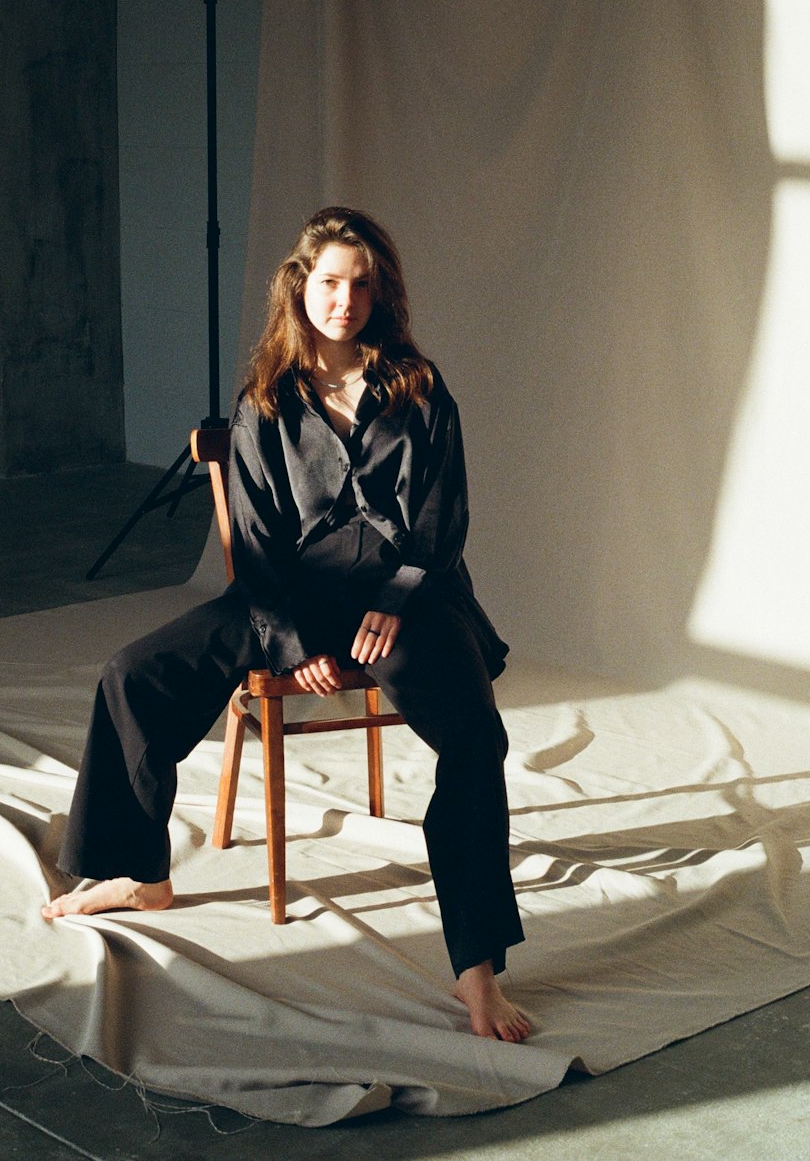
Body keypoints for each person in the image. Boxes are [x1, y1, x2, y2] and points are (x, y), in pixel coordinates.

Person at [43, 207, 529, 1043]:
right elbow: (260, 551)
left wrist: (397, 598)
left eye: (361, 283)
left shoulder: (418, 388)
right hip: (288, 598)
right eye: (330, 282)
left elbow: (442, 518)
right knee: (133, 675)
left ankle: (475, 971)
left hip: (409, 599)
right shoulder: (264, 401)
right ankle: (141, 876)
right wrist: (292, 642)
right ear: (301, 287)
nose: (345, 300)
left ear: (381, 292)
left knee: (476, 738)